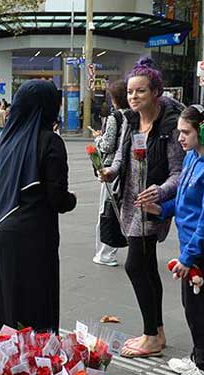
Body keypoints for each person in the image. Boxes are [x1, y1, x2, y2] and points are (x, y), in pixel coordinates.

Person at [142, 104, 204, 375]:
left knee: (200, 310)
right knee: (191, 305)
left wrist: (187, 257)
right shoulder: (194, 158)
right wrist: (160, 209)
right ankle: (198, 358)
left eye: (185, 132)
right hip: (196, 249)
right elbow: (185, 203)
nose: (180, 138)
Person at [98, 57, 186, 358]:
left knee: (137, 265)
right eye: (131, 92)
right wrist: (110, 171)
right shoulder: (130, 120)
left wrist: (159, 192)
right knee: (147, 267)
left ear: (156, 92)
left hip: (151, 207)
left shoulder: (169, 126)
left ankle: (151, 336)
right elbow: (123, 157)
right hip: (128, 202)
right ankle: (157, 331)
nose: (134, 97)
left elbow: (179, 172)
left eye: (141, 91)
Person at [0, 80, 77, 336]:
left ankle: (3, 371)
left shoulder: (4, 143)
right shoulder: (50, 142)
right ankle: (35, 372)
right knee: (34, 312)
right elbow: (58, 199)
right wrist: (72, 200)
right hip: (31, 240)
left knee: (5, 312)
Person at [91, 79, 130, 267]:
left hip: (110, 169)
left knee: (106, 210)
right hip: (128, 168)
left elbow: (108, 145)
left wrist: (98, 139)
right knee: (118, 209)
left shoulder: (115, 117)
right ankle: (111, 249)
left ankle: (106, 253)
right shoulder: (133, 115)